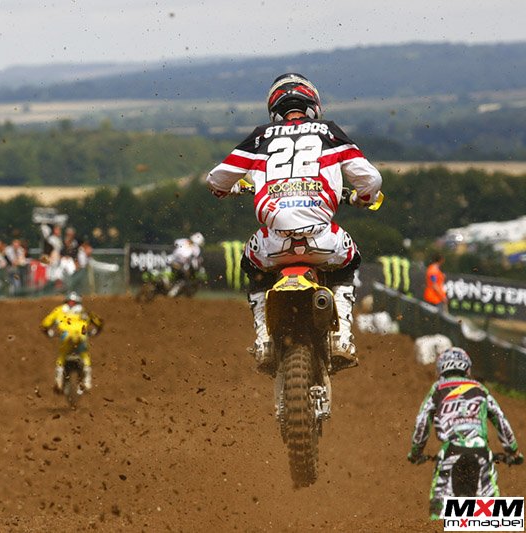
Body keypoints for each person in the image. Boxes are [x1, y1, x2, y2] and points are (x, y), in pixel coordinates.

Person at [206, 73, 383, 373]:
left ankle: (263, 339)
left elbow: (215, 179)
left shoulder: (260, 137)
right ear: (313, 105)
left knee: (250, 264)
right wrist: (362, 198)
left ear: (274, 110)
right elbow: (371, 180)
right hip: (322, 240)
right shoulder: (329, 132)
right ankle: (341, 337)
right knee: (350, 260)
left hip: (273, 244)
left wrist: (227, 190)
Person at [408, 347, 523, 520]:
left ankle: (440, 520)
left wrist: (416, 452)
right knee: (494, 514)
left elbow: (422, 421)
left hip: (451, 451)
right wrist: (513, 451)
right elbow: (500, 419)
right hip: (481, 451)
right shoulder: (480, 389)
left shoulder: (438, 389)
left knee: (439, 509)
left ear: (441, 370)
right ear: (467, 369)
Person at [40, 292, 104, 392]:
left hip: (66, 337)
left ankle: (59, 381)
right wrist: (95, 331)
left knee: (62, 356)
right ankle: (87, 382)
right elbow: (99, 322)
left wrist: (48, 332)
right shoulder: (84, 311)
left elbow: (44, 324)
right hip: (80, 336)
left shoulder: (59, 310)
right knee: (85, 356)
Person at [167, 232, 205, 297]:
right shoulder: (183, 241)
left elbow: (195, 260)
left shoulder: (196, 248)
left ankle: (174, 290)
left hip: (181, 264)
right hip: (172, 260)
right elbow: (173, 245)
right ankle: (172, 289)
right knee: (184, 275)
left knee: (184, 275)